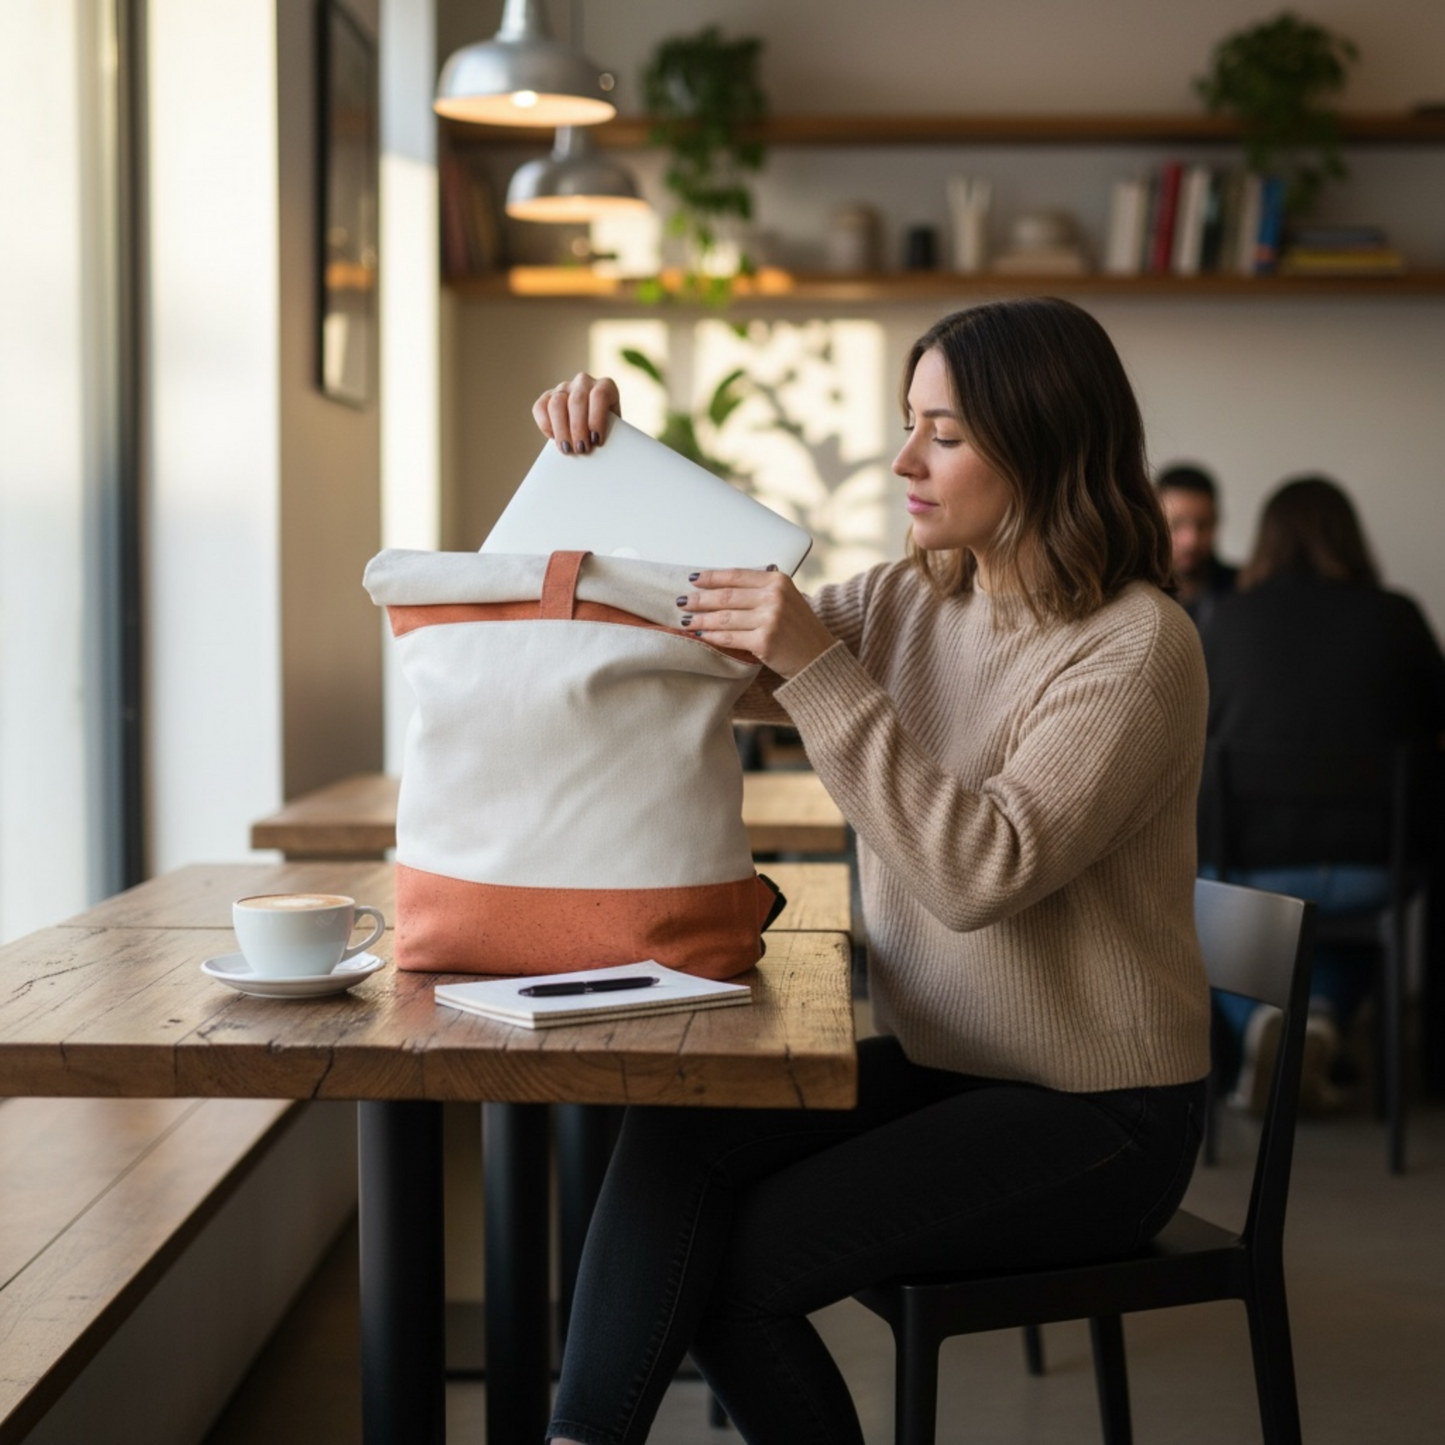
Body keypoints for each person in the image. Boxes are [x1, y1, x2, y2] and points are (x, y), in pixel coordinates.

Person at [532, 298, 1212, 1445]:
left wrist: (812, 665)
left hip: (1101, 1116)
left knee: (726, 1271)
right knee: (676, 1133)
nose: (903, 458)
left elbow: (977, 870)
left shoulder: (1135, 645)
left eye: (941, 433)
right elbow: (699, 652)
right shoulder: (916, 597)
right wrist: (597, 470)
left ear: (1043, 441)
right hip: (959, 1067)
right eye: (910, 423)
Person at [1200, 475, 1445, 1114]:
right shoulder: (1399, 616)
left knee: (1192, 892)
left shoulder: (1226, 623)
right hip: (1378, 871)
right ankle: (1324, 1018)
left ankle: (1257, 1022)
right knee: (1343, 921)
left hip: (1249, 870)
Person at [1156, 463, 1237, 628]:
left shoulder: (1244, 588)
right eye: (1176, 524)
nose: (1191, 540)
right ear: (1153, 523)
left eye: (1203, 524)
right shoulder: (1131, 595)